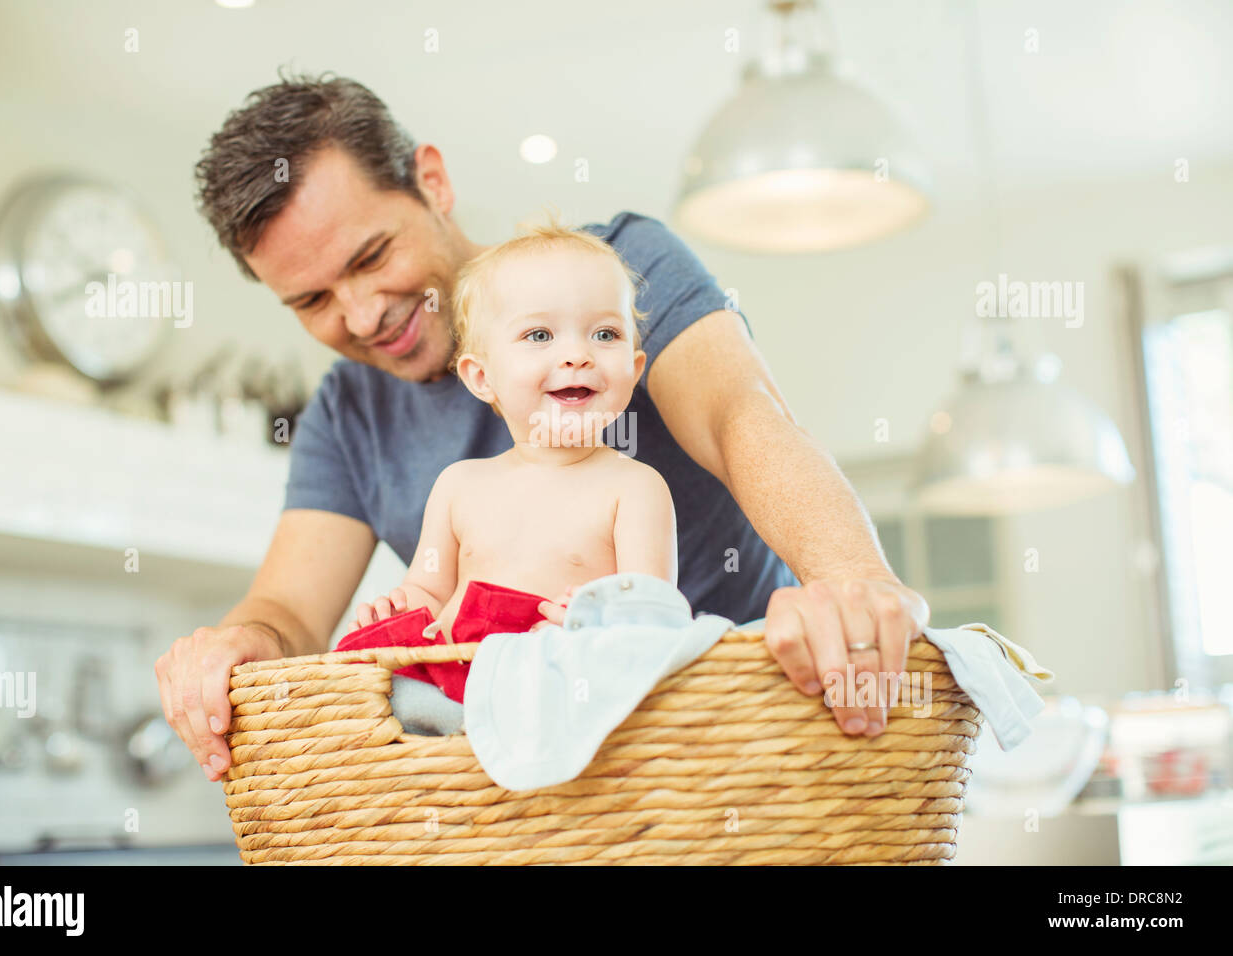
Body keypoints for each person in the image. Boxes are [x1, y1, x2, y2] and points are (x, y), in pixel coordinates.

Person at [158, 70, 930, 784]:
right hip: (534, 801)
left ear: (432, 181)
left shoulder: (613, 274)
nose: (362, 315)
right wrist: (240, 641)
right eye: (312, 302)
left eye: (372, 257)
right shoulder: (346, 411)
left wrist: (852, 580)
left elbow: (739, 418)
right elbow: (288, 613)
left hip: (735, 749)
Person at [348, 216, 674, 658]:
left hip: (570, 682)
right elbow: (427, 590)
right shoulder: (459, 486)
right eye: (539, 334)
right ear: (482, 377)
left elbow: (653, 616)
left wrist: (599, 619)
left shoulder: (635, 488)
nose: (577, 355)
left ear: (633, 371)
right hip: (459, 688)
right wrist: (398, 606)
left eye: (605, 334)